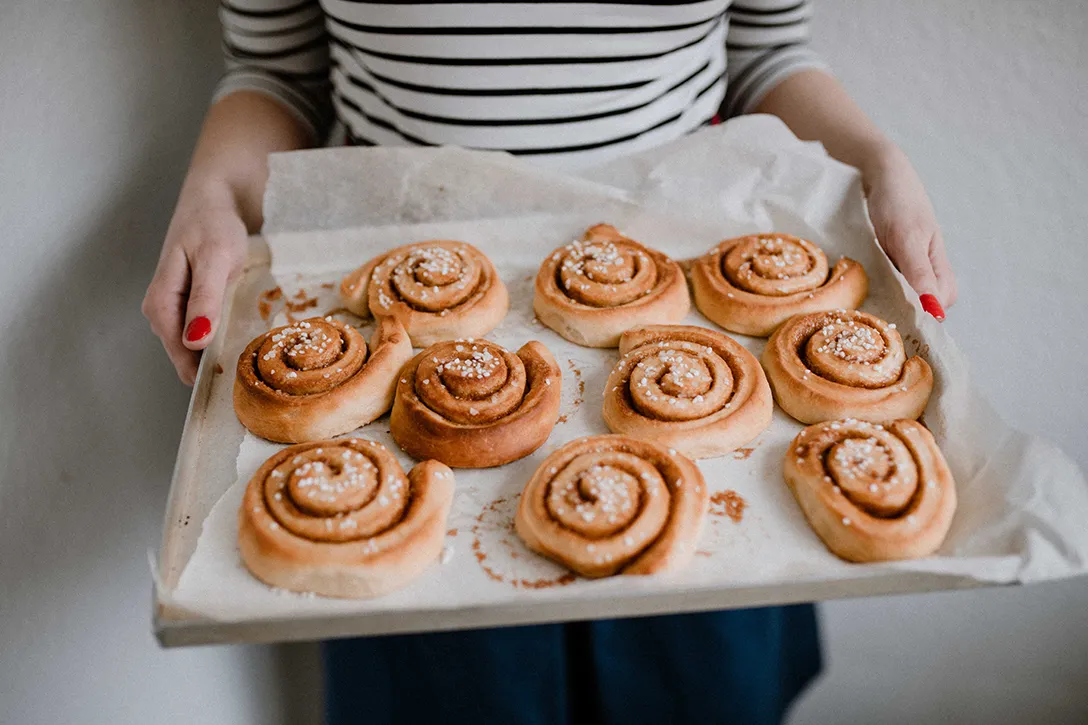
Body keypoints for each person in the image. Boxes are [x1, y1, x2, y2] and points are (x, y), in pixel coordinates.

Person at [144, 1, 957, 722]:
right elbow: (277, 68)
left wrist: (876, 159)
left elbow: (768, 50)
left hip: (687, 281)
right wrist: (214, 188)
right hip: (404, 272)